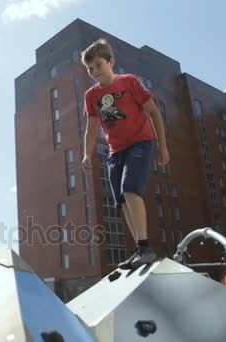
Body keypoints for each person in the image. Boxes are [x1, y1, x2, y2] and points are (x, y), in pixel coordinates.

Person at [81, 38, 169, 270]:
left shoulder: (128, 82)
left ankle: (145, 247)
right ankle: (140, 250)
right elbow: (91, 127)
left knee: (130, 190)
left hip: (141, 143)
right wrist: (87, 154)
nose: (94, 71)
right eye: (90, 69)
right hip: (115, 151)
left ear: (111, 62)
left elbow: (154, 113)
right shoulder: (91, 96)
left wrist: (163, 146)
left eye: (98, 65)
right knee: (122, 201)